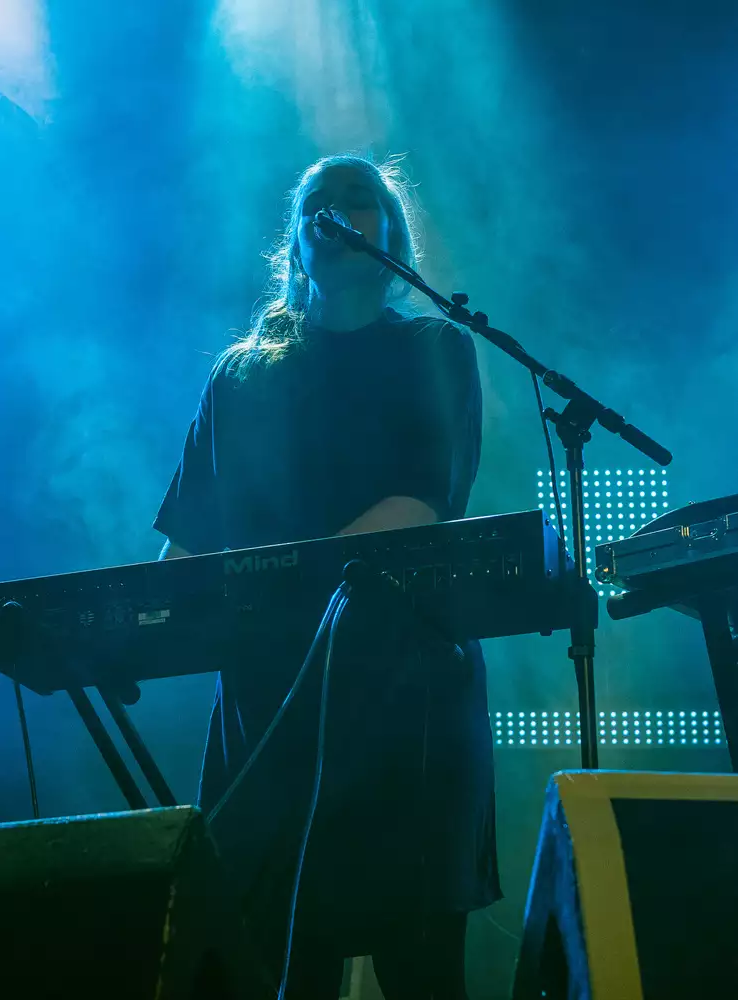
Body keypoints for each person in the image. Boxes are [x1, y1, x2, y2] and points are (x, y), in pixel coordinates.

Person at [154, 153, 501, 999]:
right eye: (317, 203)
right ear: (295, 243)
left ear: (390, 233)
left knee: (419, 965)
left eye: (358, 201)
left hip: (402, 692)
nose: (335, 214)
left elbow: (423, 500)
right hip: (267, 702)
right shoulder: (240, 375)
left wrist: (283, 581)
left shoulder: (435, 348)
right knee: (267, 964)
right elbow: (186, 548)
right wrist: (111, 632)